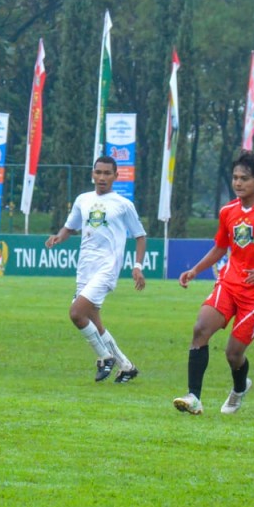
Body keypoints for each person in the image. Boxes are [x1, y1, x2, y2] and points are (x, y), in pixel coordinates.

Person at [173, 150, 254, 415]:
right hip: (229, 283)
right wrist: (194, 270)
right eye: (235, 177)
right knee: (200, 329)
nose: (238, 183)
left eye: (244, 178)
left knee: (233, 354)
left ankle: (239, 389)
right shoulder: (227, 211)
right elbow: (220, 248)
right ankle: (194, 397)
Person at [45, 155, 147, 383]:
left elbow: (140, 236)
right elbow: (69, 227)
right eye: (98, 172)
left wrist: (137, 266)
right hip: (85, 268)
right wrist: (58, 237)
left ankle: (105, 357)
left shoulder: (123, 204)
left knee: (76, 313)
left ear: (116, 176)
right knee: (95, 322)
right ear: (92, 173)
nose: (102, 177)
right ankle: (126, 366)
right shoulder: (83, 199)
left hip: (107, 268)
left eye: (107, 173)